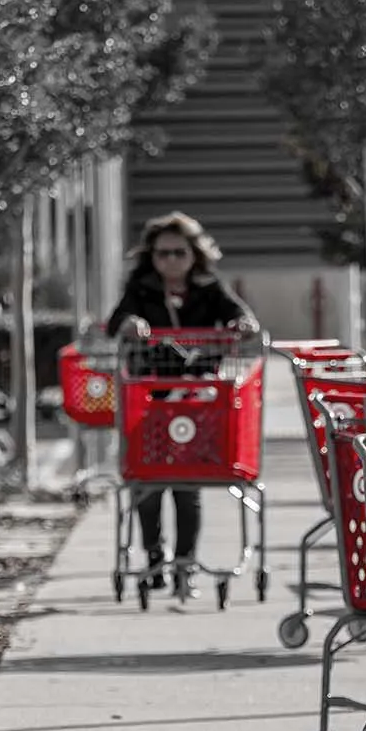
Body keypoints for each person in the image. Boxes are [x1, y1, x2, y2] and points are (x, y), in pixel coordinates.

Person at [105, 211, 259, 592]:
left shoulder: (210, 289)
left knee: (188, 485)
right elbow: (116, 322)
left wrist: (242, 324)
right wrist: (130, 324)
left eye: (178, 252)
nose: (170, 261)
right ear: (151, 257)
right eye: (162, 254)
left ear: (194, 254)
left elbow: (242, 316)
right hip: (151, 400)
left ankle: (186, 564)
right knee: (149, 482)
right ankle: (155, 558)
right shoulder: (140, 289)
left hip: (197, 398)